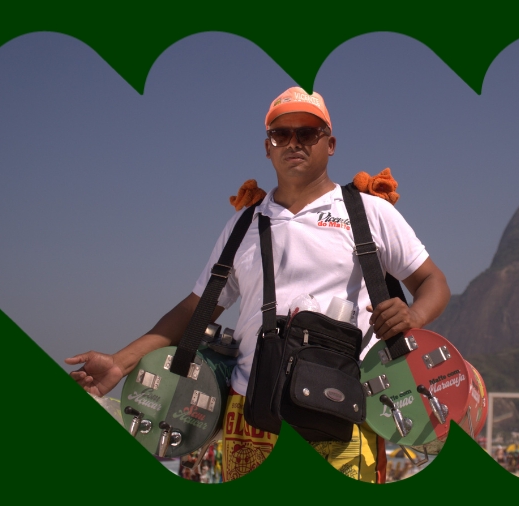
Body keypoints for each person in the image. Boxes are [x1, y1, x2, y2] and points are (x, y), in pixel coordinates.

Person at [65, 87, 451, 483]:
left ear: (330, 144)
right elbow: (195, 310)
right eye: (281, 134)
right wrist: (121, 361)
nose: (293, 142)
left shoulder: (369, 212)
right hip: (252, 411)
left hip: (343, 408)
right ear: (268, 147)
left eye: (307, 132)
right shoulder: (243, 224)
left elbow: (433, 281)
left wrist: (413, 315)